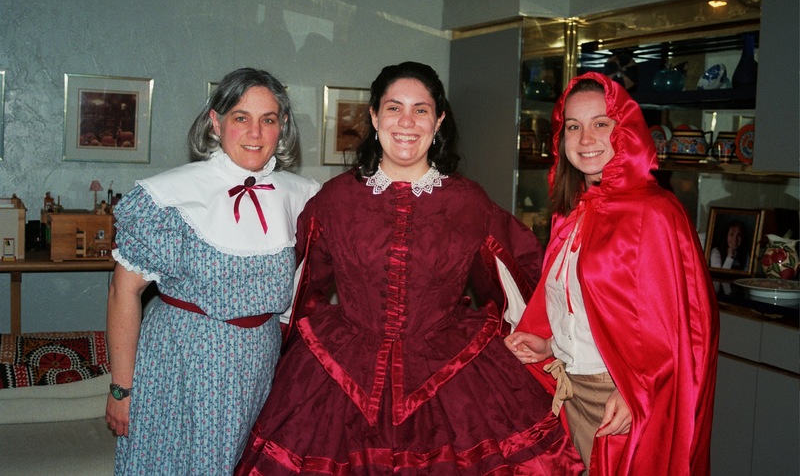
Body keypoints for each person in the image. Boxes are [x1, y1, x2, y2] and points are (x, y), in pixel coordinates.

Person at [235, 61, 584, 474]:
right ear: (374, 117)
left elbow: (522, 273)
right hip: (340, 377)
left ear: (438, 121)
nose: (406, 122)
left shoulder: (468, 202)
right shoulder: (334, 199)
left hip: (452, 377)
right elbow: (303, 286)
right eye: (393, 108)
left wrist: (541, 336)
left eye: (421, 110)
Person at [105, 68, 319, 474]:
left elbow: (296, 301)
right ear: (215, 123)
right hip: (180, 366)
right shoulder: (169, 196)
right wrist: (122, 389)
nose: (255, 132)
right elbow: (123, 292)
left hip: (259, 368)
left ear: (283, 126)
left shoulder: (302, 196)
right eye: (241, 117)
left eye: (268, 119)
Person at [505, 72, 719, 475]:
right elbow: (594, 310)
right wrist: (550, 345)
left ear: (626, 130)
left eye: (601, 123)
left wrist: (634, 388)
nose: (586, 138)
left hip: (618, 400)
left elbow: (678, 326)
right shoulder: (573, 212)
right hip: (569, 389)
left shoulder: (654, 211)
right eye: (573, 126)